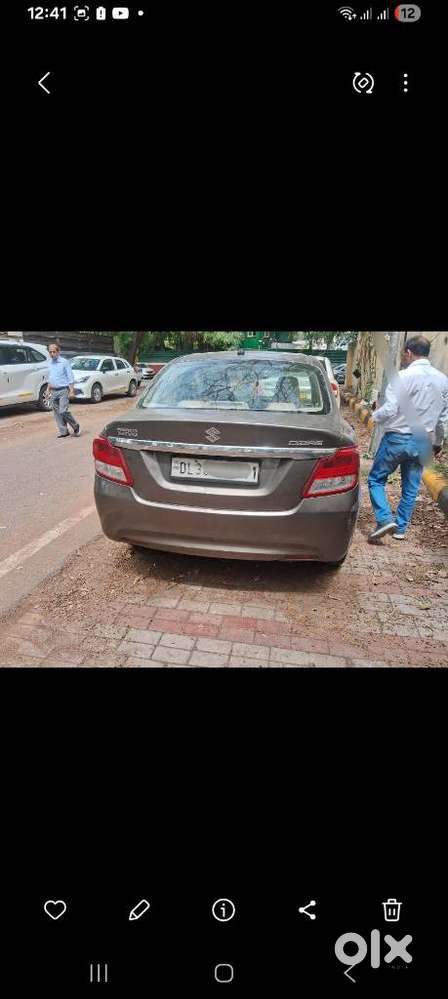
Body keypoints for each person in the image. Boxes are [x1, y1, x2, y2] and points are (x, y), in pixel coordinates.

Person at [367, 335, 448, 542]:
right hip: (423, 440)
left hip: (398, 438)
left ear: (408, 352)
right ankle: (400, 529)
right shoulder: (443, 380)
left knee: (376, 479)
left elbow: (391, 409)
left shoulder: (402, 376)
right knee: (411, 487)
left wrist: (373, 416)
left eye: (404, 353)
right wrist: (438, 442)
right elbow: (442, 418)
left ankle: (385, 519)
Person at [47, 342, 81, 438]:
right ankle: (64, 432)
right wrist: (48, 389)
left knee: (63, 411)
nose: (52, 354)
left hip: (63, 390)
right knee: (57, 413)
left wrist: (71, 391)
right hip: (53, 391)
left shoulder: (64, 362)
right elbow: (50, 377)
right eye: (50, 352)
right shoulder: (49, 363)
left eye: (54, 352)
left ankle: (76, 426)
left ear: (58, 352)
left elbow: (70, 377)